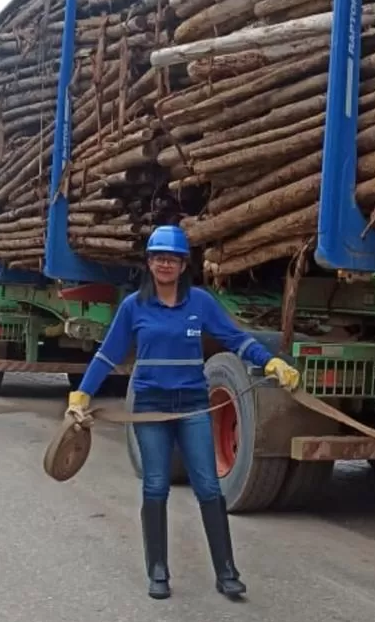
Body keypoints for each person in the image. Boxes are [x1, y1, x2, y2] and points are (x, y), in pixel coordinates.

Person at [67, 226, 300, 601]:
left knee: (208, 487)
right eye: (158, 257)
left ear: (182, 264)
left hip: (193, 406)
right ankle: (158, 571)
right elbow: (108, 354)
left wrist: (270, 361)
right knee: (155, 485)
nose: (164, 264)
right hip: (150, 409)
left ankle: (227, 573)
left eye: (171, 258)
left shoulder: (201, 303)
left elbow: (235, 338)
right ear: (149, 262)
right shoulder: (134, 307)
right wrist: (82, 393)